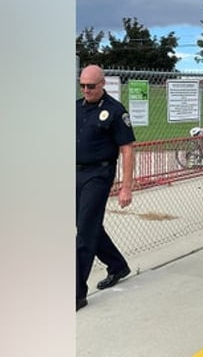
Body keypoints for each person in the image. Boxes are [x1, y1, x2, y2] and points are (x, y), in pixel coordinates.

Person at [76, 65, 136, 311]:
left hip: (99, 175)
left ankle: (76, 293)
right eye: (82, 85)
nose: (86, 90)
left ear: (103, 84)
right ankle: (117, 265)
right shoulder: (76, 107)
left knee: (84, 235)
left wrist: (126, 187)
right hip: (74, 172)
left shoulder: (115, 111)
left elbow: (127, 148)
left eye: (91, 86)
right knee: (87, 225)